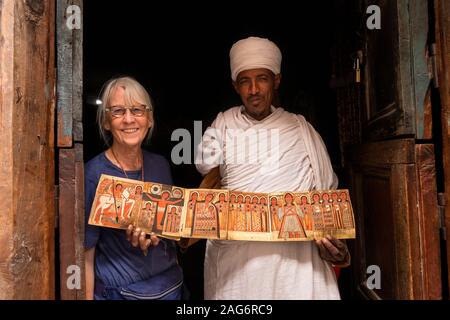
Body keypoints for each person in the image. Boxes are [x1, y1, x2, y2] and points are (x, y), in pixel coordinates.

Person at [194, 36, 350, 299]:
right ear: (235, 86)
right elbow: (203, 164)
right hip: (238, 266)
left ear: (276, 81)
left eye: (262, 79)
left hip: (295, 265)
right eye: (245, 81)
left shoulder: (301, 130)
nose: (254, 89)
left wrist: (335, 247)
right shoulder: (223, 124)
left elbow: (326, 193)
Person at [84, 76, 183, 300]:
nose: (129, 119)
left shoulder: (160, 165)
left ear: (149, 119)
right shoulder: (93, 174)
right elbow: (85, 254)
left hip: (169, 289)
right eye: (118, 111)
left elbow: (173, 235)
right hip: (120, 294)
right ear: (106, 122)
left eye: (138, 110)